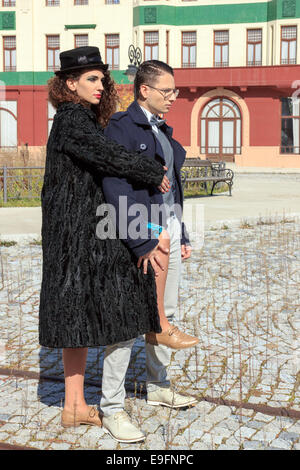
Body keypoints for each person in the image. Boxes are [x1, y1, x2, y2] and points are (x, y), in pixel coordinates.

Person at [38, 47, 171, 429]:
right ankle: (80, 404)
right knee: (78, 314)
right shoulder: (71, 120)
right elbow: (108, 155)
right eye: (91, 79)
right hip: (74, 237)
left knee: (75, 318)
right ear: (69, 83)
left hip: (83, 233)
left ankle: (75, 406)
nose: (100, 86)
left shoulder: (82, 119)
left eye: (102, 79)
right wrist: (150, 169)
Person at [100, 60, 199, 444]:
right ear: (144, 90)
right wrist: (141, 240)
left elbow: (171, 187)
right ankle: (111, 407)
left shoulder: (161, 128)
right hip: (142, 236)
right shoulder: (122, 128)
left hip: (168, 231)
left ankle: (157, 386)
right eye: (167, 91)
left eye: (174, 91)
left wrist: (182, 232)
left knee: (166, 314)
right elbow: (115, 187)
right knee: (128, 321)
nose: (173, 97)